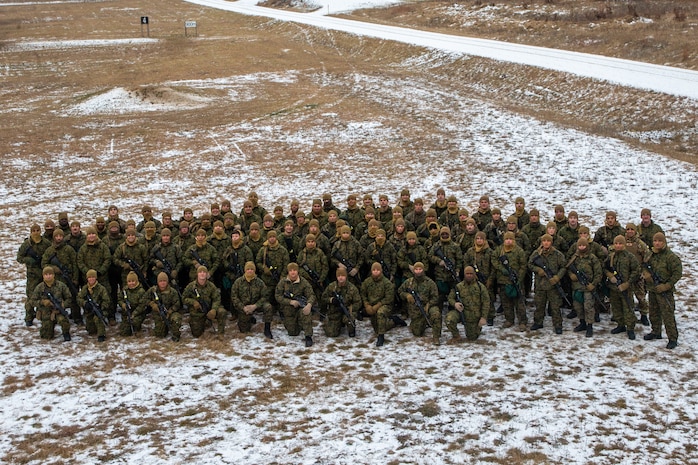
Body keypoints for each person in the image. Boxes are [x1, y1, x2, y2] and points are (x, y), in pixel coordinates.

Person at [642, 232, 682, 349]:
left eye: (659, 241)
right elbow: (644, 265)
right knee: (653, 312)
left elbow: (677, 273)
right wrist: (646, 274)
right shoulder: (650, 254)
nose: (657, 243)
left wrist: (667, 285)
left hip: (665, 291)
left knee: (668, 315)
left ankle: (673, 338)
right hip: (652, 288)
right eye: (655, 241)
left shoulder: (671, 257)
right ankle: (656, 331)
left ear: (664, 242)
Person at [528, 234, 567, 334]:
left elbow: (563, 267)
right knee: (539, 305)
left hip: (553, 286)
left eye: (548, 241)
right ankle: (538, 322)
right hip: (540, 284)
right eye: (544, 241)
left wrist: (557, 277)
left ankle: (558, 325)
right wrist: (538, 270)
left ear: (551, 242)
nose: (546, 243)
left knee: (555, 306)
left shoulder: (557, 254)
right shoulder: (536, 253)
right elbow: (530, 264)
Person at [361, 263, 405, 347]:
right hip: (372, 306)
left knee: (380, 313)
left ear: (381, 271)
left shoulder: (386, 283)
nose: (376, 272)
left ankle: (381, 337)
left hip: (385, 305)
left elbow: (389, 298)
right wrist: (367, 305)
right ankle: (393, 321)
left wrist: (377, 306)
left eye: (377, 270)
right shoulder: (367, 282)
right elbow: (363, 294)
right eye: (374, 270)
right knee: (377, 328)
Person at [604, 235, 640, 340]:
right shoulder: (611, 257)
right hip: (614, 288)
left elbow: (636, 271)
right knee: (616, 308)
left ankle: (630, 328)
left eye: (620, 243)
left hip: (626, 288)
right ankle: (620, 325)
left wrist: (628, 283)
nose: (618, 246)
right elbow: (604, 268)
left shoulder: (630, 257)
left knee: (628, 308)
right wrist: (610, 276)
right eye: (616, 243)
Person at [41, 228, 80, 323]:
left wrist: (75, 278)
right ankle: (55, 318)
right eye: (57, 236)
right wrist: (54, 269)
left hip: (68, 278)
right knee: (56, 299)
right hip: (56, 280)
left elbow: (75, 264)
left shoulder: (69, 249)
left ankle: (77, 317)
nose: (59, 238)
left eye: (61, 236)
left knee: (73, 297)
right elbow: (44, 264)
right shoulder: (50, 250)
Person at [398, 262, 441, 345]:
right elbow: (400, 291)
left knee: (436, 314)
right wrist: (407, 295)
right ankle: (420, 323)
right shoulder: (409, 282)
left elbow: (435, 297)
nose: (418, 271)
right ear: (413, 270)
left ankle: (436, 337)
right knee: (417, 333)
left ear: (423, 270)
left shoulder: (430, 283)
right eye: (416, 269)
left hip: (428, 307)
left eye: (420, 269)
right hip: (415, 310)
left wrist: (429, 304)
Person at [77, 227, 114, 323]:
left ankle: (110, 316)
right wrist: (88, 273)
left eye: (93, 234)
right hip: (89, 279)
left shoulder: (102, 246)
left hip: (102, 277)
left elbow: (107, 259)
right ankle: (89, 315)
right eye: (89, 234)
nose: (91, 236)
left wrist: (100, 271)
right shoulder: (83, 248)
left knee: (106, 295)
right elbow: (80, 261)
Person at [17, 224, 52, 326]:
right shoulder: (26, 244)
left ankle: (44, 315)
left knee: (46, 295)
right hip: (32, 274)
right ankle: (29, 316)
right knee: (31, 296)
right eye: (34, 231)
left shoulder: (45, 243)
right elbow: (19, 257)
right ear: (31, 232)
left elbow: (51, 253)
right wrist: (28, 260)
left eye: (37, 230)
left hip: (44, 274)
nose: (36, 232)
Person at [567, 238, 602, 337]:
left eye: (583, 245)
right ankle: (582, 323)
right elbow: (568, 267)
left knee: (588, 307)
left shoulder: (592, 258)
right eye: (580, 245)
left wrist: (593, 284)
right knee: (578, 306)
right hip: (577, 287)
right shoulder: (575, 257)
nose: (581, 247)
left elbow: (598, 273)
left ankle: (589, 325)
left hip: (588, 287)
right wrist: (571, 275)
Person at [275, 263, 316, 347]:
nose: (293, 272)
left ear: (298, 271)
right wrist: (290, 302)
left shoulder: (303, 282)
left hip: (302, 307)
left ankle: (308, 336)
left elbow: (311, 295)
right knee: (293, 333)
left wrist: (309, 305)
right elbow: (278, 296)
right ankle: (299, 323)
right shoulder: (283, 282)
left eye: (295, 270)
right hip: (289, 309)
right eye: (290, 270)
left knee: (306, 313)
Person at [493, 231, 528, 330]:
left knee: (519, 303)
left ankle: (522, 321)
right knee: (506, 302)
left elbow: (523, 265)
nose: (508, 241)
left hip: (516, 281)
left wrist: (519, 278)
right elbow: (494, 259)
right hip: (503, 281)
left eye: (511, 239)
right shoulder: (499, 250)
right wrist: (502, 269)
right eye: (507, 239)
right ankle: (509, 320)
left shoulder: (519, 251)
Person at [446, 266, 489, 342]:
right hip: (461, 312)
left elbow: (486, 302)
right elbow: (450, 298)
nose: (469, 275)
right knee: (450, 319)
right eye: (467, 274)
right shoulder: (459, 286)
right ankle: (456, 336)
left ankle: (477, 328)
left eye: (471, 273)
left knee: (472, 338)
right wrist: (455, 304)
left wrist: (483, 317)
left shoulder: (480, 287)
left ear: (474, 274)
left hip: (474, 316)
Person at [231, 261, 273, 338]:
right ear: (245, 270)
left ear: (254, 270)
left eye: (252, 269)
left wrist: (255, 306)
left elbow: (265, 296)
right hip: (244, 307)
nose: (250, 271)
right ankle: (250, 318)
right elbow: (234, 297)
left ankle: (267, 329)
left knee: (268, 307)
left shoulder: (260, 282)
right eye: (248, 269)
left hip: (256, 305)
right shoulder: (238, 282)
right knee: (244, 330)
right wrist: (243, 307)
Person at [29, 267, 72, 341]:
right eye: (46, 274)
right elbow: (32, 301)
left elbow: (69, 298)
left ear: (54, 275)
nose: (48, 276)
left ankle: (66, 333)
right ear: (43, 276)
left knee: (63, 321)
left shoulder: (61, 285)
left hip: (58, 311)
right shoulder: (39, 287)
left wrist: (63, 305)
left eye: (50, 274)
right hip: (46, 313)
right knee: (46, 336)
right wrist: (42, 302)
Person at [183, 266, 227, 337]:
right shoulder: (191, 286)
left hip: (209, 308)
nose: (202, 274)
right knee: (196, 334)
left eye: (204, 272)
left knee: (222, 312)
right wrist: (193, 302)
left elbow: (217, 299)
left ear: (207, 274)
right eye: (200, 272)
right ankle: (203, 322)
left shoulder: (211, 286)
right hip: (197, 312)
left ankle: (220, 333)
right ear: (197, 274)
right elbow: (184, 298)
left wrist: (214, 309)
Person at [464, 231, 496, 325]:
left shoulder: (490, 252)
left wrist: (490, 279)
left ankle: (490, 316)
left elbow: (493, 267)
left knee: (488, 297)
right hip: (474, 279)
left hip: (486, 279)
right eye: (477, 239)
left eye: (481, 239)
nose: (479, 241)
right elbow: (466, 263)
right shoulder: (470, 251)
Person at [322, 267, 362, 338]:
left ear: (346, 276)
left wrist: (349, 308)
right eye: (339, 276)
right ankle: (335, 324)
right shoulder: (332, 286)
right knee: (331, 333)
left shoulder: (352, 288)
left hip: (348, 311)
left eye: (343, 276)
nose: (341, 278)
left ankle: (351, 328)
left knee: (349, 319)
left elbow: (358, 302)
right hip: (335, 312)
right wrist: (332, 300)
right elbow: (323, 298)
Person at [624, 223, 651, 326]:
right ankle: (629, 316)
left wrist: (644, 271)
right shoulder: (622, 242)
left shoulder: (640, 244)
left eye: (632, 229)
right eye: (628, 229)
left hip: (638, 274)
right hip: (626, 275)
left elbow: (647, 257)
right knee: (627, 297)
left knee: (641, 296)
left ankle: (644, 315)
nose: (630, 231)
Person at [77, 269, 111, 342]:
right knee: (91, 330)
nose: (91, 279)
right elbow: (79, 298)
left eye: (93, 277)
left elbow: (107, 300)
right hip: (89, 311)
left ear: (96, 278)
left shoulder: (101, 288)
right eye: (89, 277)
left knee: (98, 318)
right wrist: (85, 303)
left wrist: (101, 307)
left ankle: (101, 334)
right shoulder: (85, 289)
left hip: (101, 310)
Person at [148, 272, 183, 341]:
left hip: (171, 313)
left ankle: (175, 333)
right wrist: (152, 304)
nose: (162, 283)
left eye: (164, 281)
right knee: (160, 335)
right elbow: (144, 300)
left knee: (176, 319)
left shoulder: (172, 291)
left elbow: (177, 304)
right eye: (160, 281)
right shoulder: (153, 290)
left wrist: (170, 311)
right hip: (159, 314)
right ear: (158, 282)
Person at [117, 271, 148, 336]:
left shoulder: (141, 291)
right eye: (129, 281)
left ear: (136, 281)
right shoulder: (125, 290)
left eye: (133, 281)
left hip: (138, 313)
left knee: (134, 322)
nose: (131, 283)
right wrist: (123, 305)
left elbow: (142, 305)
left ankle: (137, 327)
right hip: (127, 312)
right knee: (124, 333)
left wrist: (134, 314)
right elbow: (119, 299)